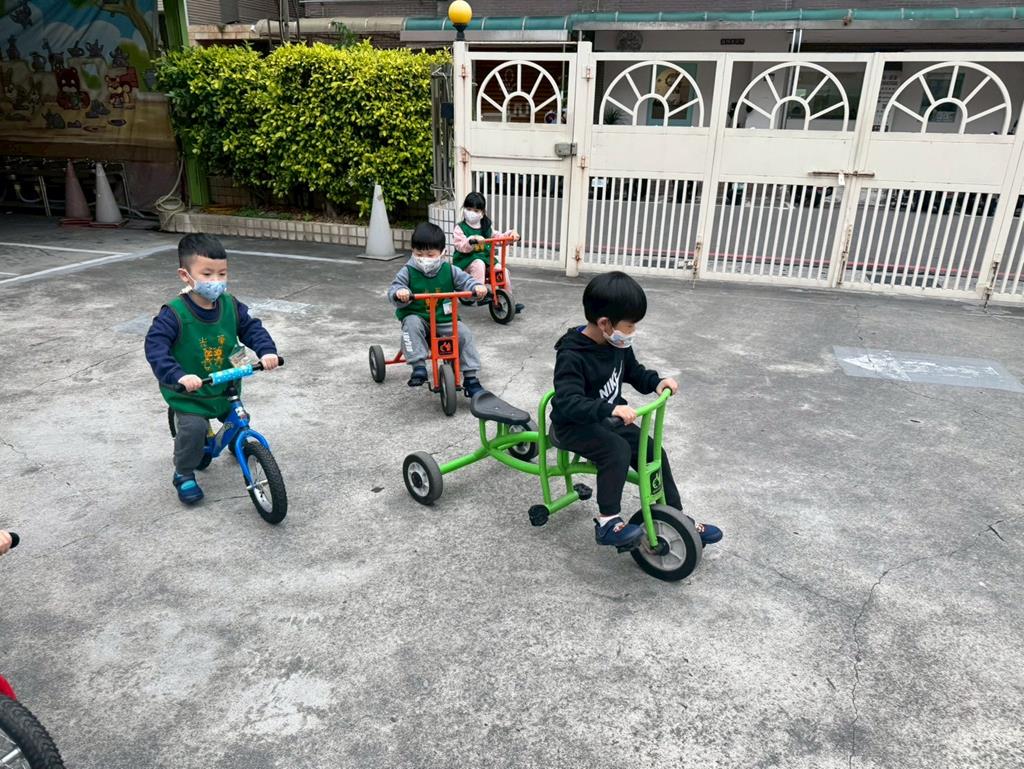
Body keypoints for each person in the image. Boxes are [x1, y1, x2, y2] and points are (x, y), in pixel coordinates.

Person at [549, 271, 723, 549]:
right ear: (605, 323)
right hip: (574, 425)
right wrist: (610, 408)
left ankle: (675, 515)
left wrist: (656, 382)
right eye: (630, 325)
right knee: (616, 450)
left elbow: (634, 372)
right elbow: (568, 401)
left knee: (653, 451)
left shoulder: (616, 343)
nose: (633, 332)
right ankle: (607, 522)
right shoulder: (572, 355)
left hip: (607, 421)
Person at [145, 234, 280, 505]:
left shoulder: (230, 304)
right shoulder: (174, 313)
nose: (216, 281)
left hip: (226, 382)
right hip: (191, 392)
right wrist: (179, 375)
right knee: (193, 430)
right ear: (186, 275)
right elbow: (155, 346)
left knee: (238, 415)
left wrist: (266, 351)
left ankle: (235, 437)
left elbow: (250, 327)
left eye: (222, 273)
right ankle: (183, 473)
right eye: (207, 274)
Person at [389, 222, 489, 397]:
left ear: (442, 252)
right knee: (411, 324)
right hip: (419, 318)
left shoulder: (449, 270)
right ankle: (418, 367)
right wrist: (400, 292)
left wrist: (476, 287)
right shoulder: (408, 271)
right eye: (419, 254)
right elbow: (395, 288)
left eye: (430, 254)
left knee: (464, 334)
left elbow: (467, 281)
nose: (424, 258)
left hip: (444, 319)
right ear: (412, 251)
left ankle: (471, 378)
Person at [452, 191, 525, 314]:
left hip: (487, 260)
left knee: (502, 270)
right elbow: (460, 245)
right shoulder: (460, 228)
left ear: (482, 213)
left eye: (476, 210)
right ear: (464, 209)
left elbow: (497, 237)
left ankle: (507, 300)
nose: (471, 213)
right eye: (468, 209)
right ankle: (479, 293)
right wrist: (472, 240)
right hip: (466, 261)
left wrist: (510, 235)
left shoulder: (485, 226)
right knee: (478, 263)